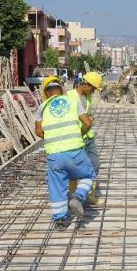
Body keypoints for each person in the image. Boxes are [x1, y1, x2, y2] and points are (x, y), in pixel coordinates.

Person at [35, 76, 95, 230]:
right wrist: (79, 133)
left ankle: (60, 221)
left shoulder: (42, 107)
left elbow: (39, 131)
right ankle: (78, 196)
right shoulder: (73, 102)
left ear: (47, 93)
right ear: (62, 90)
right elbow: (88, 122)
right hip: (75, 151)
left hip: (55, 154)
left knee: (56, 186)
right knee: (88, 174)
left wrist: (52, 137)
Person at [66, 71, 103, 205]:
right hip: (75, 139)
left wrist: (90, 116)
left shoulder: (87, 97)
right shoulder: (68, 96)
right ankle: (72, 195)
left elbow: (86, 113)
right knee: (73, 169)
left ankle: (90, 194)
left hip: (88, 136)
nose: (93, 92)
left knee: (95, 164)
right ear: (86, 84)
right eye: (93, 89)